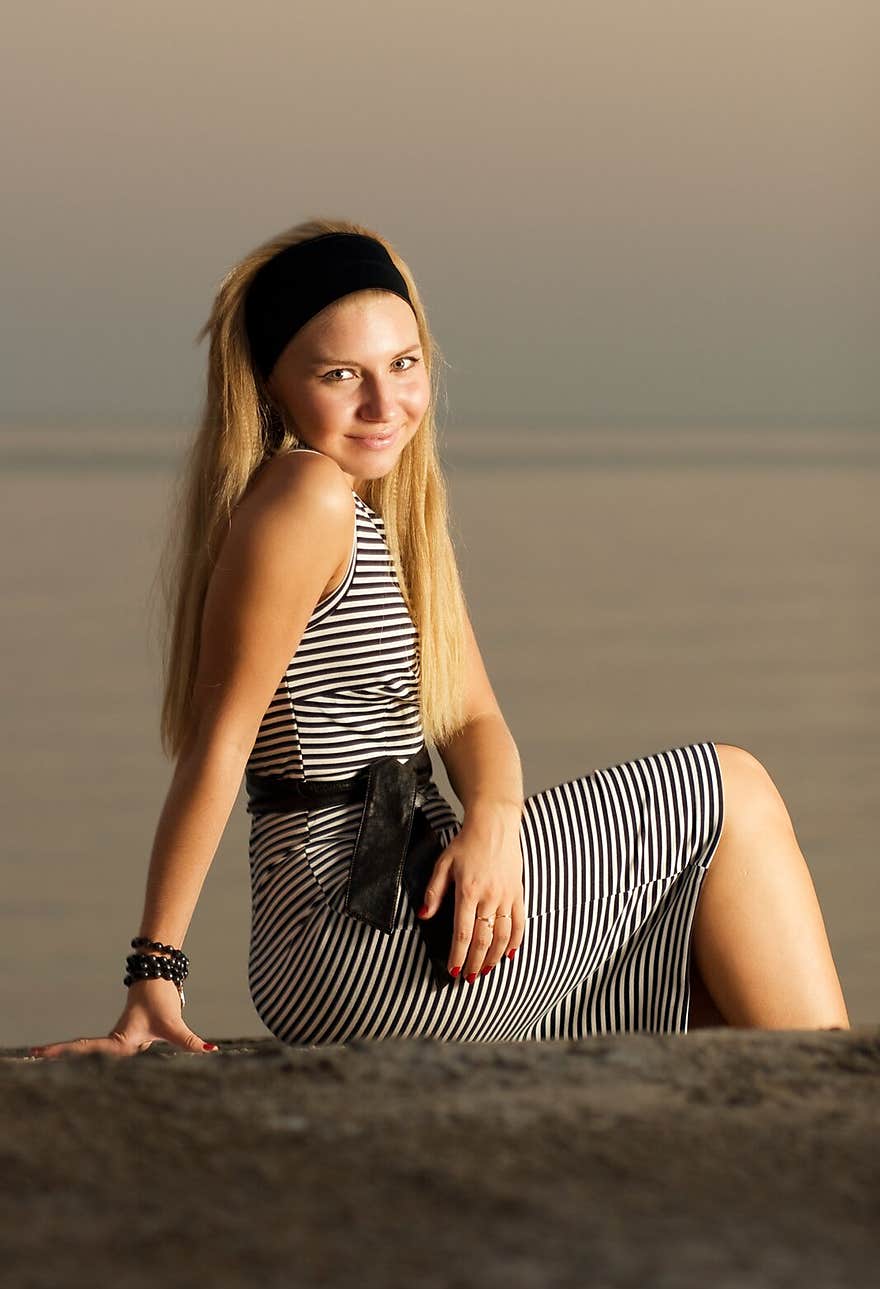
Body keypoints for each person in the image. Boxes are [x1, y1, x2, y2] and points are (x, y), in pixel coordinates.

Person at [30, 217, 850, 1060]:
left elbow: (473, 723)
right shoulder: (304, 495)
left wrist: (492, 823)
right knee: (732, 792)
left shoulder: (389, 517)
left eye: (404, 364)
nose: (385, 406)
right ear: (273, 387)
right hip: (361, 933)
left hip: (401, 915)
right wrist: (152, 977)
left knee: (704, 934)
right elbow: (220, 746)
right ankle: (840, 1096)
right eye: (341, 374)